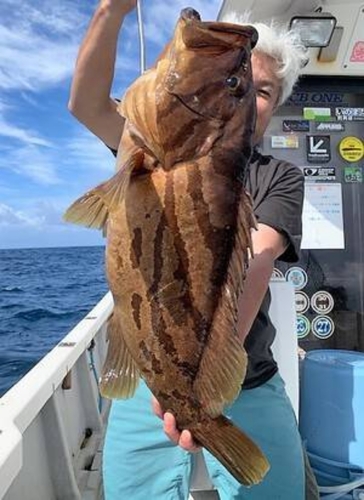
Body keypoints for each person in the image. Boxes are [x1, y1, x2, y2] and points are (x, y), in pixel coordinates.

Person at [68, 1, 319, 499]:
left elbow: (257, 261)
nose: (251, 93)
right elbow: (86, 104)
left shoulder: (279, 176)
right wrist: (110, 11)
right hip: (148, 384)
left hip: (248, 379)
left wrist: (201, 387)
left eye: (255, 89)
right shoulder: (144, 146)